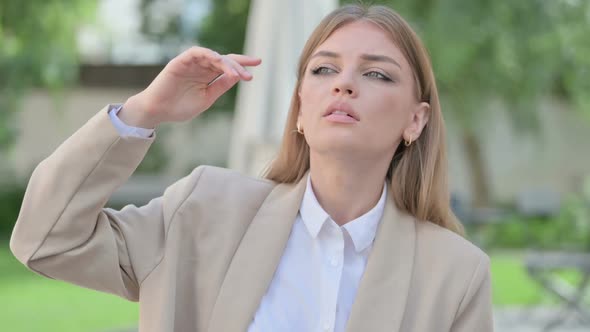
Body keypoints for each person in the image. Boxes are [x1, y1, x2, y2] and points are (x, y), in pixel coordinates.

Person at [10, 4, 493, 332]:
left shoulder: (455, 274)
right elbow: (47, 241)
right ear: (300, 109)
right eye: (324, 69)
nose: (344, 83)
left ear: (416, 119)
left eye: (377, 73)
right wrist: (144, 111)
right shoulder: (204, 211)